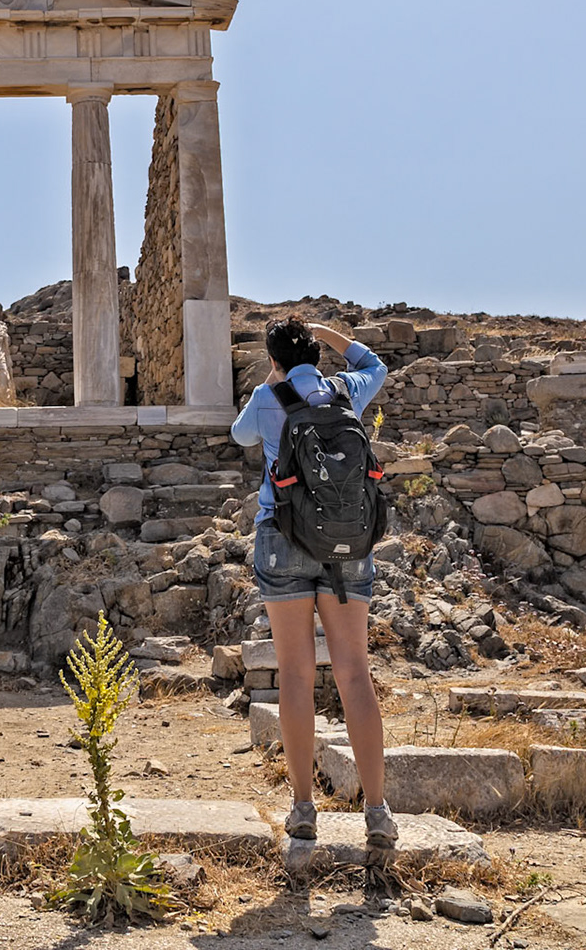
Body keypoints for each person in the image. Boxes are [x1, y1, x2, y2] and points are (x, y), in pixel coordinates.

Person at [231, 316, 396, 846]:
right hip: (350, 543)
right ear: (318, 355)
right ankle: (377, 812)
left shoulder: (266, 395)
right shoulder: (346, 390)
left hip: (283, 537)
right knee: (354, 673)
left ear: (274, 359)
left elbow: (239, 435)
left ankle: (303, 809)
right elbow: (377, 364)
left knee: (296, 675)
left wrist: (270, 382)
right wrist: (327, 333)